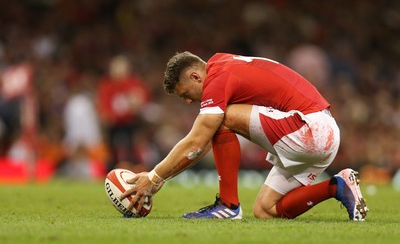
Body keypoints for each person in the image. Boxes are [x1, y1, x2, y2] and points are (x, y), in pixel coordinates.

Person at [121, 52, 368, 221]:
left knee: (222, 117)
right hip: (323, 132)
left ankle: (228, 206)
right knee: (265, 210)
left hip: (308, 128)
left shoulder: (216, 80)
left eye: (185, 93)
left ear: (196, 77)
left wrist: (153, 177)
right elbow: (202, 144)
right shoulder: (224, 65)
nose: (187, 101)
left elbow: (198, 141)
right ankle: (338, 186)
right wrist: (162, 177)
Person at [96, 55, 151, 172]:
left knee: (133, 150)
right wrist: (107, 116)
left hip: (131, 123)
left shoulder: (133, 83)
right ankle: (111, 173)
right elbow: (103, 106)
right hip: (114, 125)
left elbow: (141, 101)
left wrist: (137, 104)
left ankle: (136, 172)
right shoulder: (107, 85)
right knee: (113, 152)